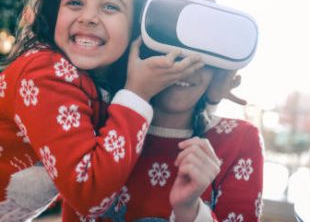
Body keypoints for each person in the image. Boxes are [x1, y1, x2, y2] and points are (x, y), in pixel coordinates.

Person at [0, 0, 204, 221]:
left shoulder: (92, 83)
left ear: (136, 25)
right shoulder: (44, 72)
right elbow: (89, 194)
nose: (88, 17)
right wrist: (137, 94)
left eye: (110, 7)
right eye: (74, 2)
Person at [97, 66, 264, 221]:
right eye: (171, 50)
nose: (186, 68)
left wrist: (191, 210)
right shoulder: (97, 120)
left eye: (202, 58)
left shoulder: (240, 139)